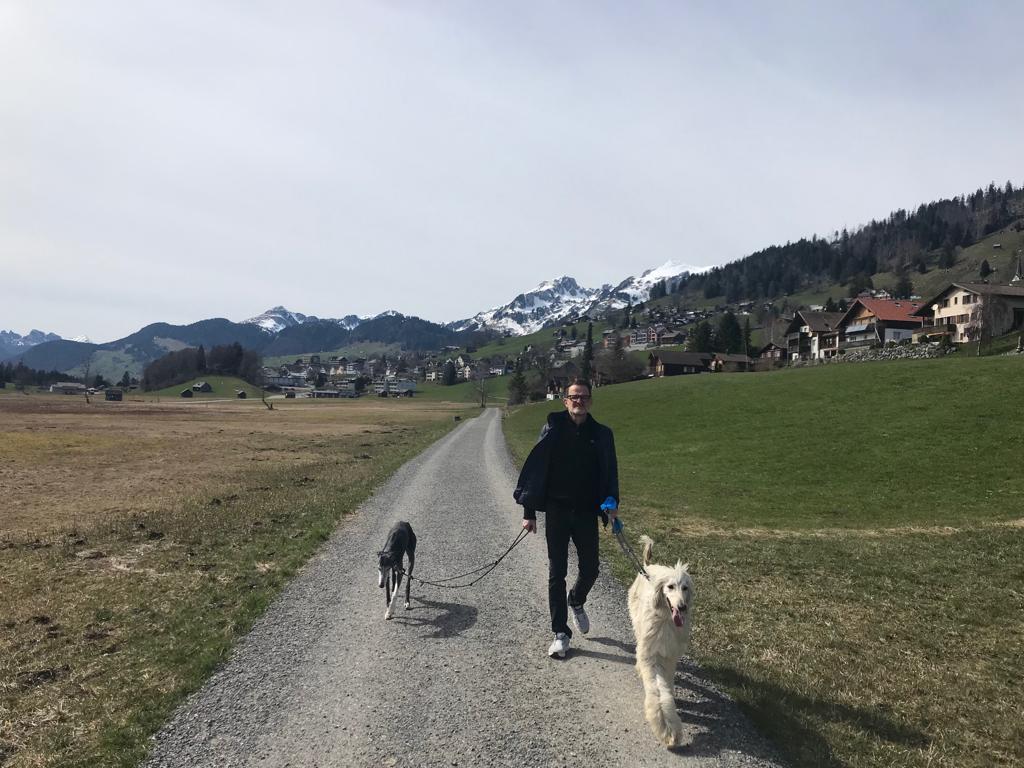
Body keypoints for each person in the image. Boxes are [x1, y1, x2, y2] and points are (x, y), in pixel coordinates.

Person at [513, 378, 620, 658]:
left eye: (583, 397)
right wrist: (529, 513)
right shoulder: (552, 428)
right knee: (556, 572)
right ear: (565, 401)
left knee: (591, 568)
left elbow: (610, 471)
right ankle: (560, 633)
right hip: (557, 511)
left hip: (586, 512)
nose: (579, 401)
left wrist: (612, 501)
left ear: (590, 401)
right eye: (574, 397)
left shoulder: (602, 434)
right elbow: (536, 470)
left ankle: (577, 599)